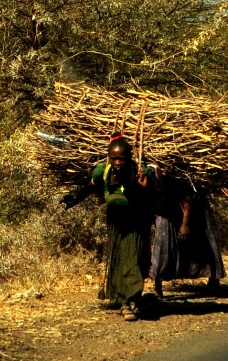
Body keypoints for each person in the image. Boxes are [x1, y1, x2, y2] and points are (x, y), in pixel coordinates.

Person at [64, 135, 172, 319]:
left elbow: (162, 192)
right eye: (113, 158)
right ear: (108, 157)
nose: (117, 162)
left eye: (121, 158)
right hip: (116, 223)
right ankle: (124, 303)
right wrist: (74, 199)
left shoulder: (141, 172)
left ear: (129, 157)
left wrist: (145, 188)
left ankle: (134, 300)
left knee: (136, 261)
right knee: (121, 260)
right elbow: (90, 186)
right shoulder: (103, 172)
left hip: (138, 222)